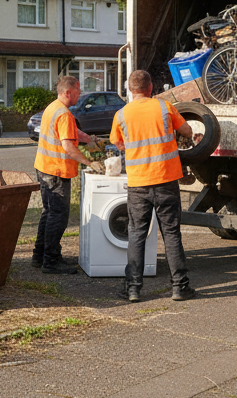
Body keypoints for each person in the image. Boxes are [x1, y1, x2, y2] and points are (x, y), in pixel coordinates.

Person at [110, 70, 195, 303]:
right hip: (166, 180)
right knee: (171, 234)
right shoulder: (164, 107)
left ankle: (133, 289)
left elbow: (118, 142)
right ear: (150, 88)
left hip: (138, 184)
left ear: (130, 89)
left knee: (136, 234)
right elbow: (187, 130)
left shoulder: (121, 114)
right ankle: (180, 287)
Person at [32, 75, 100, 274]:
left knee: (48, 213)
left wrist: (88, 138)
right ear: (68, 92)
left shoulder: (53, 108)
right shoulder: (64, 114)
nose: (80, 94)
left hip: (44, 167)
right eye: (78, 91)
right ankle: (51, 261)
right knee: (58, 216)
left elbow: (70, 133)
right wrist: (89, 162)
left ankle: (39, 255)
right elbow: (68, 146)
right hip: (56, 171)